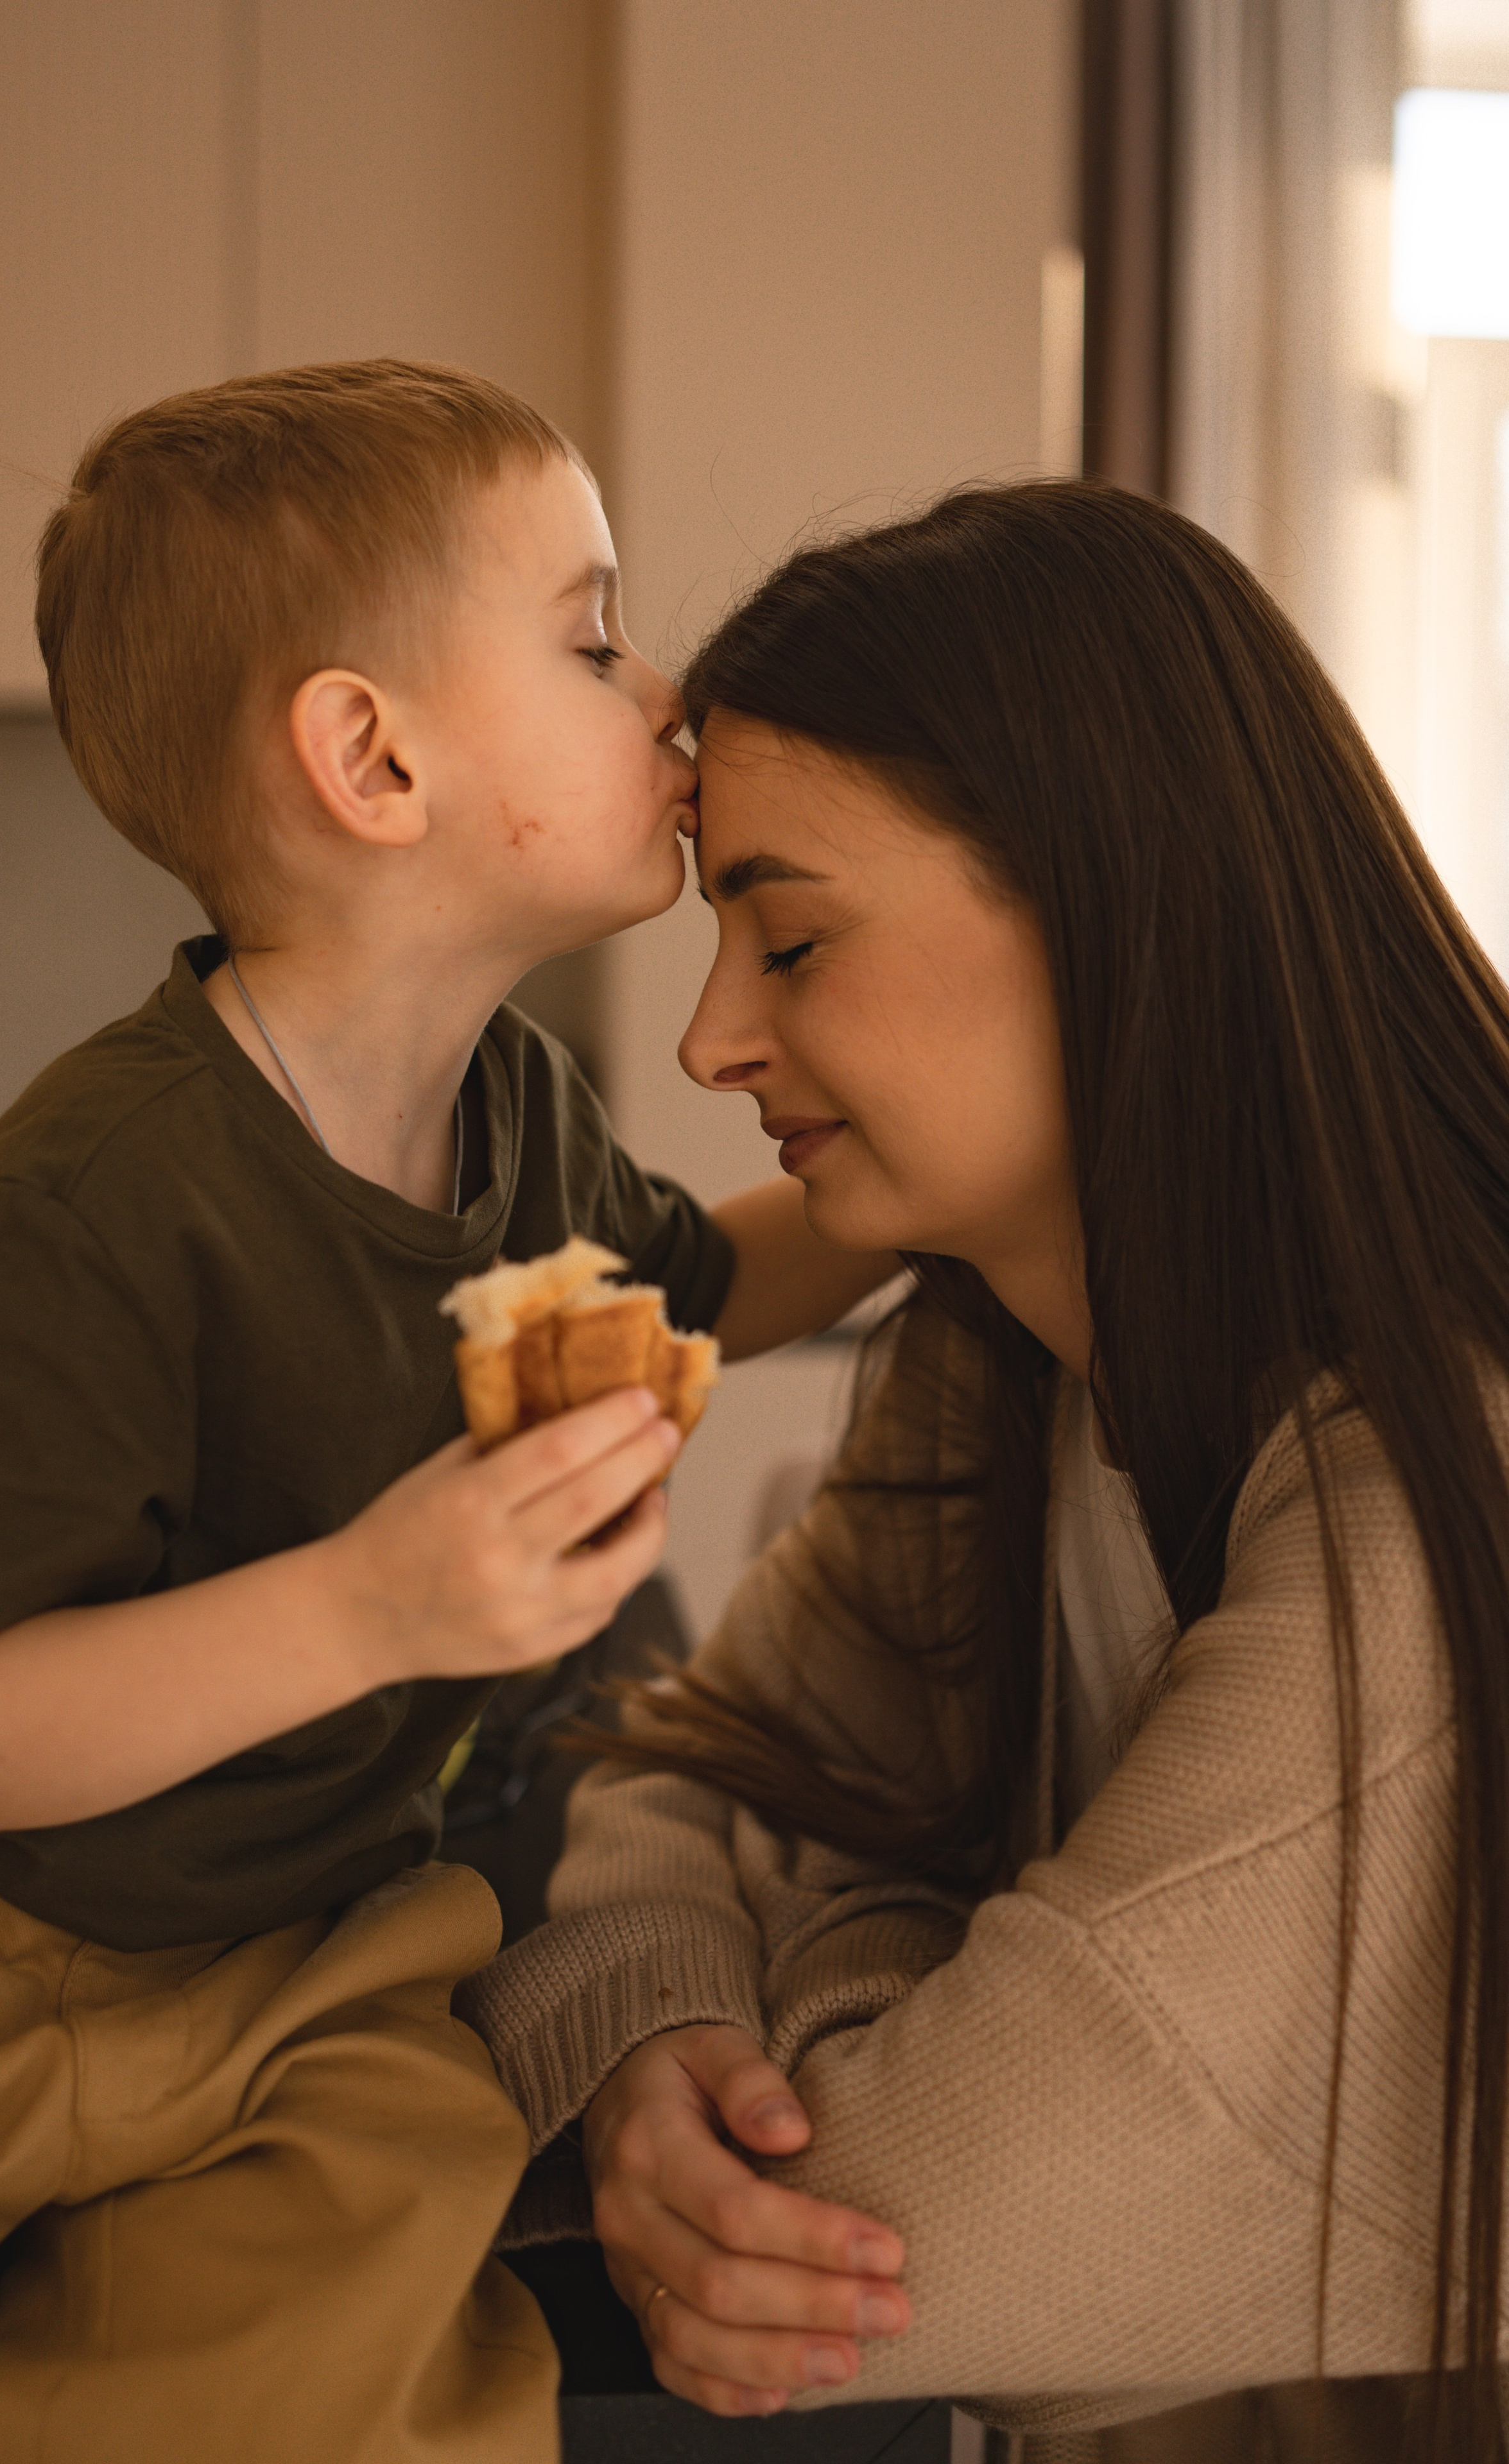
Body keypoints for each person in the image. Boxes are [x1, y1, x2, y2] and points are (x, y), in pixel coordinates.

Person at [0, 361, 892, 2464]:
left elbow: (707, 1286)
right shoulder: (77, 1206)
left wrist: (943, 1176)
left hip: (304, 1969)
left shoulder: (522, 1112)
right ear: (371, 757)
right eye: (596, 641)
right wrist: (371, 1609)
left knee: (370, 2363)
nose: (670, 694)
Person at [460, 481, 1509, 2463]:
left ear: (1116, 909)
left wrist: (850, 1930)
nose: (708, 1043)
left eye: (790, 938)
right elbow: (688, 1763)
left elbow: (891, 2227)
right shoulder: (999, 1367)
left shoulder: (1426, 1515)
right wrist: (665, 2015)